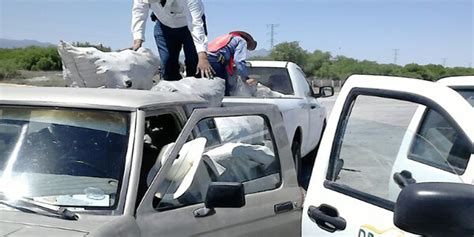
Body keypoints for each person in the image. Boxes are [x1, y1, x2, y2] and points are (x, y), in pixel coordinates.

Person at [131, 0, 214, 80]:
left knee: (195, 65)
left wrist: (203, 57)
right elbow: (139, 12)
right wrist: (138, 40)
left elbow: (195, 24)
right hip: (164, 26)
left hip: (190, 25)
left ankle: (195, 92)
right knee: (167, 66)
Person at [207, 31, 258, 95]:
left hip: (203, 59)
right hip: (215, 60)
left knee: (209, 87)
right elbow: (239, 60)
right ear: (248, 41)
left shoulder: (225, 37)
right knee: (223, 89)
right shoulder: (242, 41)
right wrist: (245, 78)